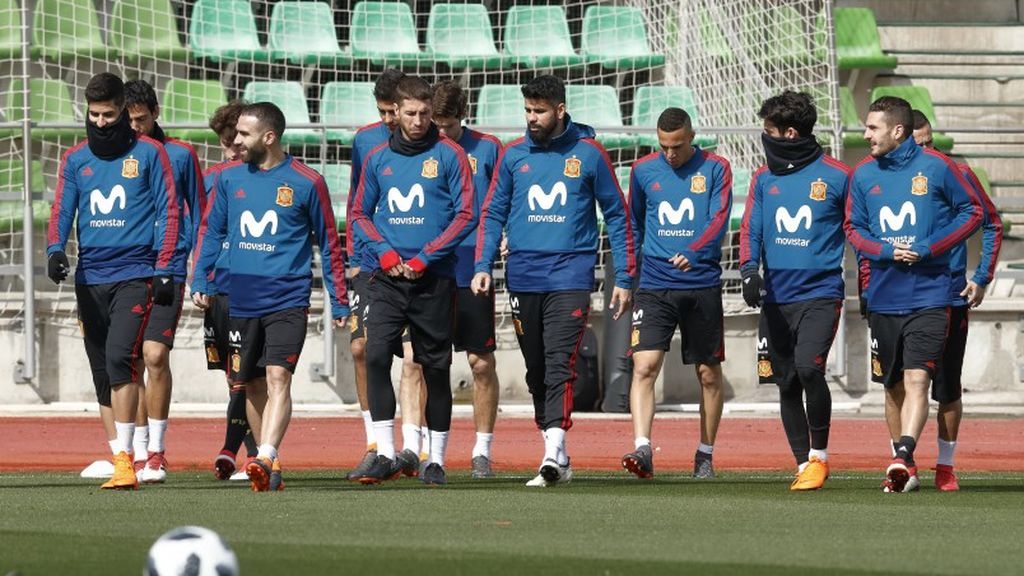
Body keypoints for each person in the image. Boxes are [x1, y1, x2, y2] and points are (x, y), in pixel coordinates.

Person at [473, 75, 635, 487]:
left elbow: (616, 214)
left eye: (539, 111)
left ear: (560, 110)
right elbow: (492, 214)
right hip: (523, 275)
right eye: (527, 110)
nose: (532, 118)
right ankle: (559, 456)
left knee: (560, 362)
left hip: (570, 274)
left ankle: (549, 453)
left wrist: (626, 276)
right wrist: (482, 264)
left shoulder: (590, 154)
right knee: (536, 370)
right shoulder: (512, 157)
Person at [191, 102, 349, 492]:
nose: (235, 142)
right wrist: (202, 279)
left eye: (243, 135)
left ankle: (264, 453)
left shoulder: (307, 181)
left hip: (288, 297)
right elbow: (213, 231)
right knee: (252, 385)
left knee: (279, 376)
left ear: (268, 137)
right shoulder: (229, 180)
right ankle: (269, 462)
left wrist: (339, 299)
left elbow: (329, 244)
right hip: (241, 296)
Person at [47, 72, 180, 490]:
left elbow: (169, 212)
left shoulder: (150, 153)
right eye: (94, 114)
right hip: (90, 278)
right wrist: (54, 250)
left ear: (123, 111)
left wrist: (163, 267)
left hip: (135, 274)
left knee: (124, 358)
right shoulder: (75, 160)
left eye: (109, 114)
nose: (101, 122)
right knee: (103, 369)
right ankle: (129, 453)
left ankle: (129, 460)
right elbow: (61, 211)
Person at [845, 96, 983, 493]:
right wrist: (885, 251)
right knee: (893, 387)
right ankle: (906, 467)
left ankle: (904, 456)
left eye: (872, 128)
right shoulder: (863, 174)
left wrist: (931, 247)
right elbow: (853, 229)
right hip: (884, 296)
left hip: (932, 294)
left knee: (919, 378)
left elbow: (972, 213)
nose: (865, 134)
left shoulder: (937, 167)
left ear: (897, 131)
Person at [349, 75, 475, 486]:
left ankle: (434, 459)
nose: (418, 121)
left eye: (424, 114)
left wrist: (423, 258)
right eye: (410, 113)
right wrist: (386, 254)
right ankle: (385, 453)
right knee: (376, 355)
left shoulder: (451, 155)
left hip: (434, 278)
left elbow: (464, 215)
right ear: (396, 112)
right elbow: (359, 214)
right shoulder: (377, 158)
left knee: (434, 369)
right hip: (386, 278)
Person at [738, 91, 851, 490]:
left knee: (809, 368)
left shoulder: (837, 176)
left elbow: (858, 231)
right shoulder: (762, 179)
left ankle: (820, 456)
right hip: (777, 298)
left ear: (788, 133)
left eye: (768, 131)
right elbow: (750, 228)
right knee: (786, 381)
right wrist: (749, 270)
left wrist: (870, 283)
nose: (763, 138)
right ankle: (803, 464)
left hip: (821, 294)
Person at [883, 111, 1001, 491]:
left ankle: (946, 466)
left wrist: (981, 277)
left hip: (947, 297)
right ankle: (903, 461)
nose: (926, 150)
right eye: (918, 143)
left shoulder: (955, 173)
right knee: (895, 384)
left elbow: (991, 222)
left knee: (946, 387)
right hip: (894, 297)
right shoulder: (883, 175)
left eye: (930, 141)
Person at [620, 107, 732, 481]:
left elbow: (719, 219)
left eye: (678, 146)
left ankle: (705, 454)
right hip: (654, 284)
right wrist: (627, 276)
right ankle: (643, 447)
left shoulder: (716, 168)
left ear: (692, 136)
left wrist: (696, 251)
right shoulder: (643, 170)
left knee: (708, 373)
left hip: (701, 284)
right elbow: (633, 223)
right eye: (664, 146)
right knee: (644, 365)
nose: (671, 153)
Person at [343, 69, 430, 481]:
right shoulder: (366, 140)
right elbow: (358, 200)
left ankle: (414, 445)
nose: (389, 120)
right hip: (372, 260)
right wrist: (354, 253)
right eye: (383, 112)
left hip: (416, 265)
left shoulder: (431, 143)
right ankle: (375, 443)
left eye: (392, 111)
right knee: (362, 349)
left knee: (415, 356)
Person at [120, 79, 203, 484]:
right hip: (125, 269)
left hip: (167, 267)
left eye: (141, 119)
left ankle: (157, 451)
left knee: (155, 356)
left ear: (155, 113)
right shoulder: (116, 155)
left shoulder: (181, 154)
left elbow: (201, 213)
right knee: (131, 360)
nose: (135, 128)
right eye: (129, 120)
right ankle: (134, 451)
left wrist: (202, 267)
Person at [431, 79, 503, 478]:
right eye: (437, 125)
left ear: (464, 116)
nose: (442, 133)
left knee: (479, 361)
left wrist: (501, 238)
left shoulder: (488, 148)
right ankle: (427, 448)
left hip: (473, 265)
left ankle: (482, 450)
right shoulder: (423, 148)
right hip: (432, 266)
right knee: (426, 361)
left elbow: (502, 199)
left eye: (449, 125)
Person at [201, 100, 263, 482]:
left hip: (253, 288)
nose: (231, 149)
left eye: (236, 140)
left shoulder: (263, 178)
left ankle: (241, 451)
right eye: (225, 142)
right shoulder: (213, 178)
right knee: (232, 375)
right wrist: (201, 279)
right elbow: (202, 232)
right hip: (219, 288)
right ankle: (250, 452)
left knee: (249, 375)